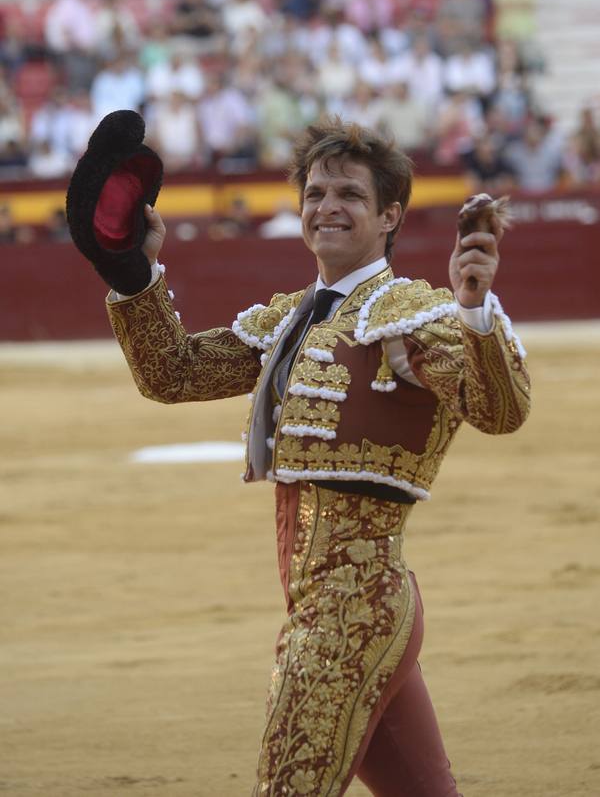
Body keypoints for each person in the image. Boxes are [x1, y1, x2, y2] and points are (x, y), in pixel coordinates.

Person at [104, 118, 530, 796]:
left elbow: (499, 411)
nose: (327, 206)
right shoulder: (292, 318)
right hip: (332, 605)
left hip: (351, 612)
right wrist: (132, 269)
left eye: (350, 196)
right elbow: (173, 373)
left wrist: (475, 313)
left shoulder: (413, 317)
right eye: (316, 192)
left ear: (389, 216)